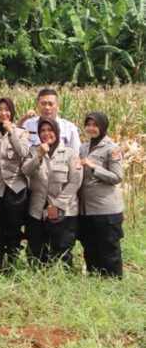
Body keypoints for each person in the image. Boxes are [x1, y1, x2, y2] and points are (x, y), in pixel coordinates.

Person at [20, 118, 81, 266]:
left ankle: (63, 278)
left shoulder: (69, 153)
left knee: (61, 250)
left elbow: (75, 181)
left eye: (50, 130)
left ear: (57, 132)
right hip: (37, 209)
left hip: (63, 210)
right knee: (36, 250)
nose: (46, 134)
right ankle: (38, 276)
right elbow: (26, 170)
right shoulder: (34, 151)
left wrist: (58, 204)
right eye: (42, 131)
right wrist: (39, 155)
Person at [0, 97, 32, 271]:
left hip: (15, 188)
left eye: (7, 109)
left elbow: (24, 153)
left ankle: (12, 261)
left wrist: (12, 132)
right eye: (0, 109)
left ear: (12, 112)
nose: (4, 113)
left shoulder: (21, 132)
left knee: (14, 228)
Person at [78, 112, 124, 277]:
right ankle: (94, 277)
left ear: (103, 127)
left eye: (95, 125)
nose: (91, 128)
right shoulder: (83, 147)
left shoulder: (112, 149)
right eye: (88, 125)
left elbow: (116, 177)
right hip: (86, 209)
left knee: (109, 248)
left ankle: (113, 281)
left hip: (106, 209)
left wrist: (93, 167)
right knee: (90, 246)